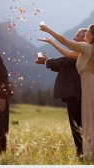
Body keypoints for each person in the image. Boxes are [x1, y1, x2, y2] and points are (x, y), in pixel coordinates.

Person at [39, 23, 94, 162]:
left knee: (92, 121)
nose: (85, 35)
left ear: (92, 35)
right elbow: (67, 54)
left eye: (87, 32)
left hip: (91, 86)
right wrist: (51, 42)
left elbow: (65, 42)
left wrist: (48, 29)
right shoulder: (92, 48)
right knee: (93, 121)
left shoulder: (86, 47)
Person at [36, 28, 87, 157]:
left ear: (84, 38)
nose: (74, 38)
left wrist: (46, 61)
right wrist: (47, 62)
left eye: (77, 36)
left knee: (76, 124)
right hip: (76, 93)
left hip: (75, 93)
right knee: (78, 124)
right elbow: (65, 65)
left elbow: (65, 61)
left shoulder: (81, 52)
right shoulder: (78, 53)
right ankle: (82, 151)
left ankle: (81, 152)